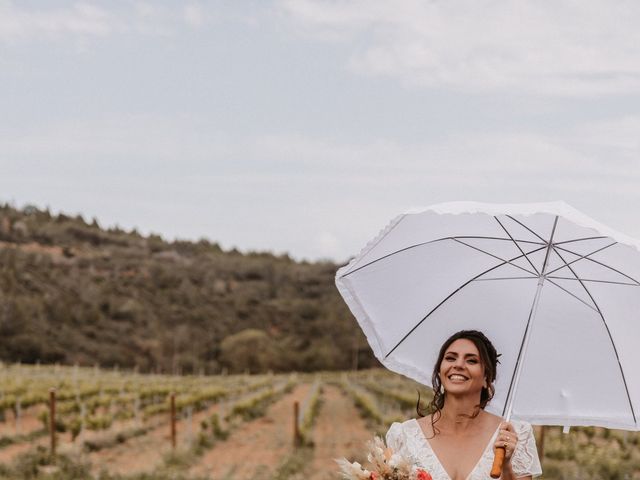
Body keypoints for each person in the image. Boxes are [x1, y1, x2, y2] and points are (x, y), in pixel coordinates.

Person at [386, 330, 542, 480]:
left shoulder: (514, 436)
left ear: (487, 378)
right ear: (440, 371)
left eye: (471, 360)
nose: (459, 365)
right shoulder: (404, 436)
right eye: (450, 358)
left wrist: (506, 466)